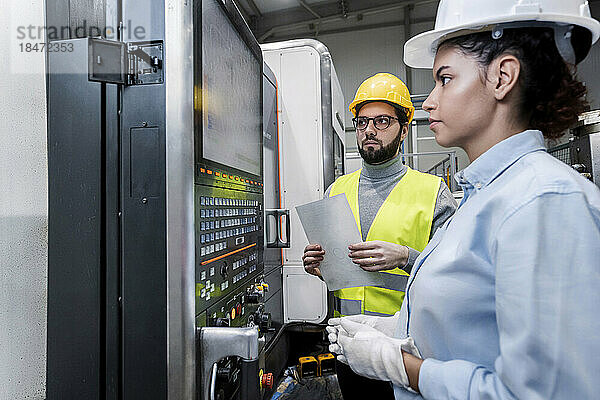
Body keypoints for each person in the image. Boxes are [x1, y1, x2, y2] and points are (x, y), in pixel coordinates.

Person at [328, 0, 600, 399]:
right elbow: (470, 326)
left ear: (502, 77)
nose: (429, 102)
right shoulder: (484, 197)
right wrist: (396, 330)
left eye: (444, 79)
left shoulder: (544, 202)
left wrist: (399, 365)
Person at [302, 73, 457, 399]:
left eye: (382, 121)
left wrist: (404, 257)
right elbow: (341, 276)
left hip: (405, 347)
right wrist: (319, 265)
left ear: (403, 129)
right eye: (362, 122)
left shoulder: (432, 193)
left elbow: (454, 278)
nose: (369, 130)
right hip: (349, 342)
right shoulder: (337, 190)